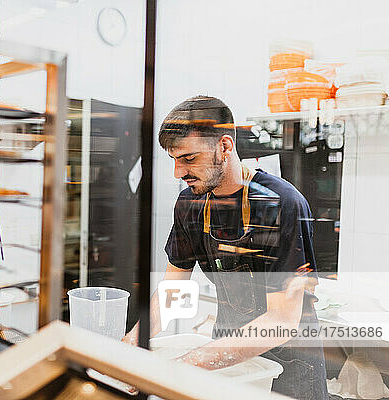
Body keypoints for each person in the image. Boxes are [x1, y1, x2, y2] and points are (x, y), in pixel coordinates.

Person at [123, 96, 328, 400]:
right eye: (174, 160)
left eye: (189, 159)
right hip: (228, 361)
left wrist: (187, 365)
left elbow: (281, 321)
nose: (178, 173)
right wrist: (133, 344)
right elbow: (172, 293)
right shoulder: (190, 205)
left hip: (290, 369)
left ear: (225, 146)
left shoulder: (283, 204)